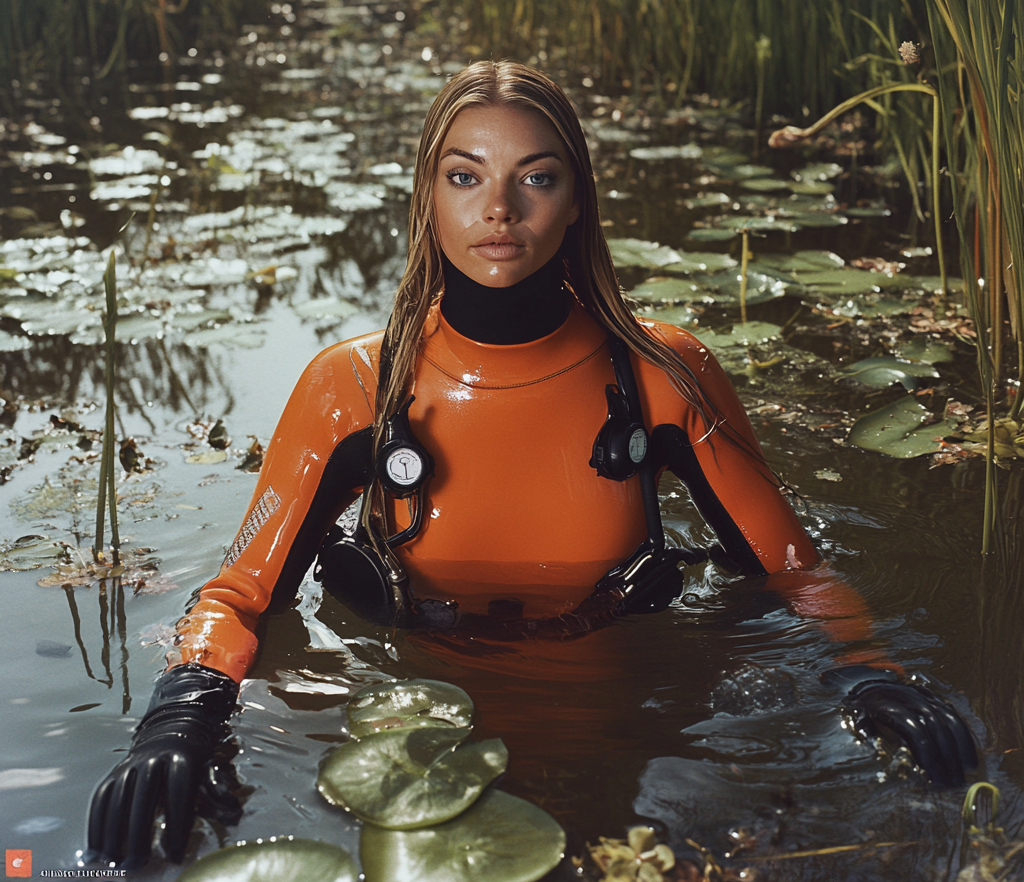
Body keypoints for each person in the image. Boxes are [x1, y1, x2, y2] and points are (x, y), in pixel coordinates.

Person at [85, 61, 977, 867]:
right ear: (428, 199)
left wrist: (871, 675)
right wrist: (182, 717)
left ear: (577, 199)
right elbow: (242, 593)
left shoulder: (662, 375)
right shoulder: (351, 386)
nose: (499, 211)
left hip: (625, 726)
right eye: (465, 177)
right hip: (409, 736)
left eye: (535, 179)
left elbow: (796, 574)